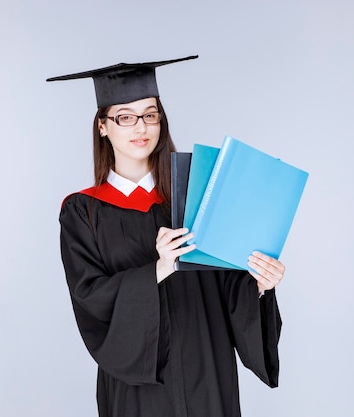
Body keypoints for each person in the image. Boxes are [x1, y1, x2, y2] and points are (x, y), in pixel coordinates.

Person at [48, 55, 286, 417]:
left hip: (207, 368)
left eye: (150, 114)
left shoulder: (197, 194)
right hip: (140, 386)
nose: (140, 127)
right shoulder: (83, 211)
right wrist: (157, 269)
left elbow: (226, 281)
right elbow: (89, 298)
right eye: (125, 117)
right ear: (102, 126)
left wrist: (259, 284)